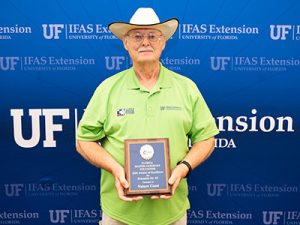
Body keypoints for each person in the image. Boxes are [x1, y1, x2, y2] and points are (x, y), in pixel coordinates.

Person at [76, 7, 219, 225]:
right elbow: (84, 141)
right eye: (137, 36)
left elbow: (207, 138)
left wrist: (184, 168)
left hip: (172, 213)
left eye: (153, 36)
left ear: (163, 42)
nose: (145, 42)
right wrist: (115, 169)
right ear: (125, 43)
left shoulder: (186, 87)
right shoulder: (107, 89)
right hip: (119, 213)